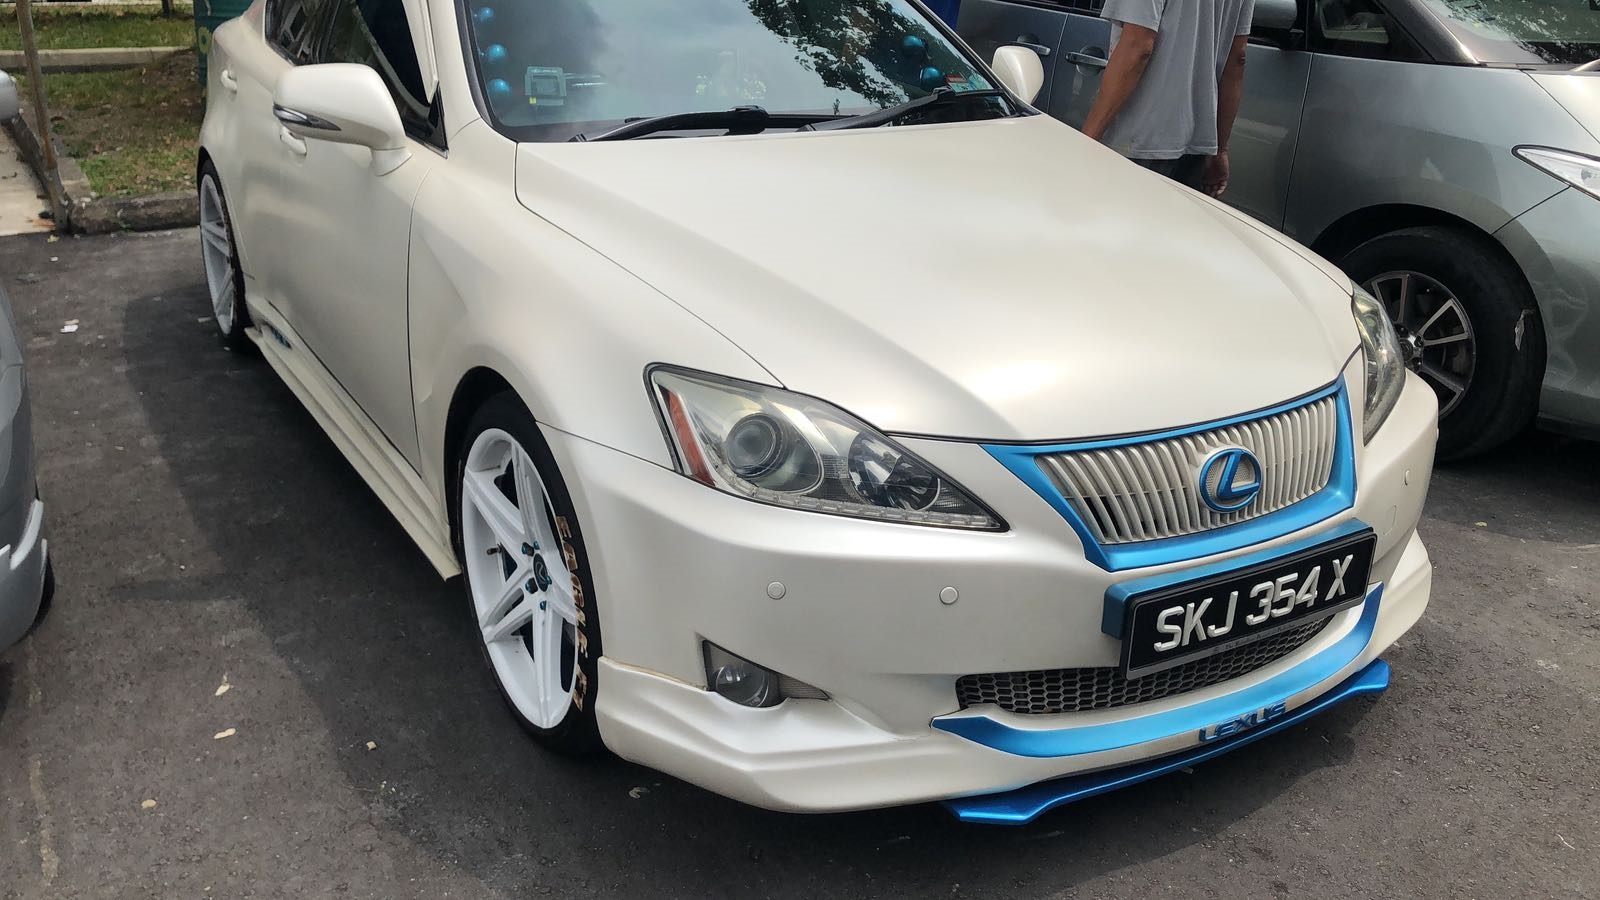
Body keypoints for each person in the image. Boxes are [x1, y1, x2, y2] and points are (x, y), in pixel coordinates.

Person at [1080, 0, 1256, 198]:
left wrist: (1086, 141)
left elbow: (1137, 46)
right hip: (1196, 147)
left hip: (1137, 141)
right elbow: (1237, 58)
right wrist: (1220, 150)